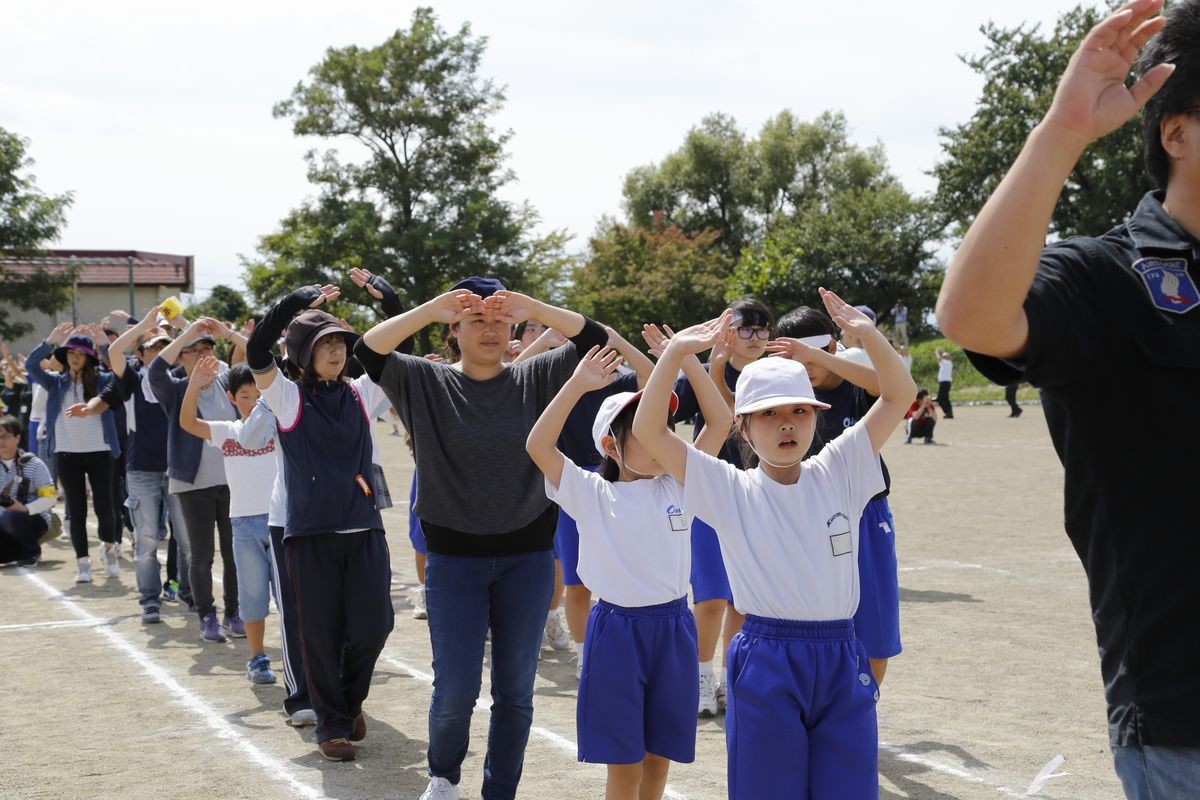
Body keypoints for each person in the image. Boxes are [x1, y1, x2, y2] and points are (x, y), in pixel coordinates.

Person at [936, 1, 1200, 795]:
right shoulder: (1110, 277)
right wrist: (1061, 135)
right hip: (1187, 723)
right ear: (1178, 132)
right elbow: (973, 317)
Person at [634, 289, 914, 798]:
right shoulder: (729, 487)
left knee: (848, 789)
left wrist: (867, 334)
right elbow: (649, 430)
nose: (787, 422)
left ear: (816, 416)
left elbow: (898, 394)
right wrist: (676, 355)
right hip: (766, 657)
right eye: (767, 414)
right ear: (742, 425)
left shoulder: (841, 468)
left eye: (799, 411)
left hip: (840, 655)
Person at [357, 276, 607, 800]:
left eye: (499, 320)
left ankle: (501, 790)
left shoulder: (535, 375)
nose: (490, 330)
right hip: (454, 561)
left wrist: (533, 305)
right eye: (476, 320)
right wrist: (430, 308)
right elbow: (368, 349)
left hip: (528, 557)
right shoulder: (425, 380)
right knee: (456, 688)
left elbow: (594, 340)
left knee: (516, 691)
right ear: (456, 327)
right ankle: (444, 777)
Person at [525, 320, 731, 800]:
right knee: (625, 762)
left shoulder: (682, 483)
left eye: (665, 427)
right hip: (617, 631)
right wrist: (577, 384)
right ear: (610, 444)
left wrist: (684, 360)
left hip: (674, 628)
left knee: (659, 760)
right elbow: (537, 445)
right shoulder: (590, 491)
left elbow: (721, 422)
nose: (663, 439)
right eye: (647, 430)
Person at [246, 284, 395, 762]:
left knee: (376, 625)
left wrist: (388, 301)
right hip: (309, 535)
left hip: (364, 529)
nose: (336, 351)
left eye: (341, 344)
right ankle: (332, 724)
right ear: (306, 354)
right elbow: (257, 349)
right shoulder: (287, 399)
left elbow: (401, 347)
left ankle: (349, 702)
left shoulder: (362, 392)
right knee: (320, 634)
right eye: (326, 344)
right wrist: (295, 301)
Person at [769, 305, 903, 685]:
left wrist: (818, 354)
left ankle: (865, 712)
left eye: (814, 353)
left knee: (874, 631)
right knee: (808, 621)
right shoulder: (788, 393)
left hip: (864, 510)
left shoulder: (854, 380)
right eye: (795, 354)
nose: (806, 365)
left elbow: (887, 386)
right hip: (804, 514)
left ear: (831, 346)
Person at [673, 296, 772, 718]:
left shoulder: (774, 374)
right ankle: (700, 678)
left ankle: (732, 679)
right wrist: (711, 366)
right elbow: (666, 415)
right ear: (727, 331)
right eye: (745, 328)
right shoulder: (701, 371)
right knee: (710, 598)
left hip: (757, 497)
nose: (755, 337)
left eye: (762, 328)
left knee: (743, 601)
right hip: (710, 494)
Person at [65, 312, 193, 622]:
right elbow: (112, 353)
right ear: (140, 353)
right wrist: (147, 323)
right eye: (152, 347)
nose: (159, 351)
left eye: (165, 346)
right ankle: (150, 600)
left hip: (179, 469)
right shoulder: (132, 380)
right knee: (147, 539)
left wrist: (183, 324)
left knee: (188, 539)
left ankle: (188, 592)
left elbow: (198, 339)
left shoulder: (179, 381)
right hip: (142, 470)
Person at [180, 358, 279, 685]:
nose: (252, 403)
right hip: (244, 526)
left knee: (291, 598)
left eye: (259, 396)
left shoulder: (281, 427)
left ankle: (299, 658)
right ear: (233, 398)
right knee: (252, 597)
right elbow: (188, 423)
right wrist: (194, 385)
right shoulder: (228, 431)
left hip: (282, 522)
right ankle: (257, 658)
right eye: (245, 396)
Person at [150, 318, 244, 643]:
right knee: (201, 555)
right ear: (182, 358)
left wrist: (226, 333)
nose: (204, 355)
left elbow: (258, 357)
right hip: (192, 485)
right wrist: (186, 335)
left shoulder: (228, 383)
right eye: (195, 351)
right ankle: (207, 616)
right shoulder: (176, 390)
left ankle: (235, 613)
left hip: (233, 481)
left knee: (235, 553)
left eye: (208, 349)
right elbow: (154, 373)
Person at [26, 324, 122, 583]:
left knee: (105, 509)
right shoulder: (56, 383)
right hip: (68, 454)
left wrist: (104, 347)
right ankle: (83, 562)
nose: (74, 357)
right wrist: (50, 341)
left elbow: (124, 374)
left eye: (80, 353)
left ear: (89, 357)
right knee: (76, 510)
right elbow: (31, 367)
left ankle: (109, 548)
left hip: (100, 452)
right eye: (70, 353)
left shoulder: (102, 380)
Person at [0, 415, 57, 566]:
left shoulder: (34, 464)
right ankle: (17, 551)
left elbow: (50, 498)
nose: (1, 442)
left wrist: (25, 508)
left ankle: (32, 553)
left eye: (5, 436)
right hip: (2, 523)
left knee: (12, 517)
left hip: (31, 519)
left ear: (18, 438)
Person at [933, 347, 954, 418]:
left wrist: (936, 352)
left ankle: (948, 413)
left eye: (945, 356)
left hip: (944, 383)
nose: (943, 357)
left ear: (948, 357)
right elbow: (939, 361)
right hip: (945, 383)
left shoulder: (948, 362)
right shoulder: (945, 363)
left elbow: (939, 359)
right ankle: (949, 413)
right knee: (945, 399)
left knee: (941, 399)